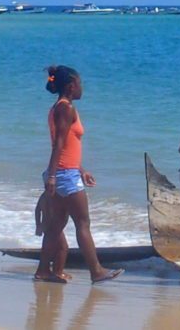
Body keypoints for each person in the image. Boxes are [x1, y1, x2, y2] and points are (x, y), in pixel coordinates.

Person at [34, 65, 123, 284]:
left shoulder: (59, 108)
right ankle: (96, 271)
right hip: (64, 175)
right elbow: (59, 144)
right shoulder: (66, 109)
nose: (82, 88)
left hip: (64, 172)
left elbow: (66, 146)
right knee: (83, 223)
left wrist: (80, 170)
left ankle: (43, 271)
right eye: (80, 84)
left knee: (56, 226)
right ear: (71, 86)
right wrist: (53, 176)